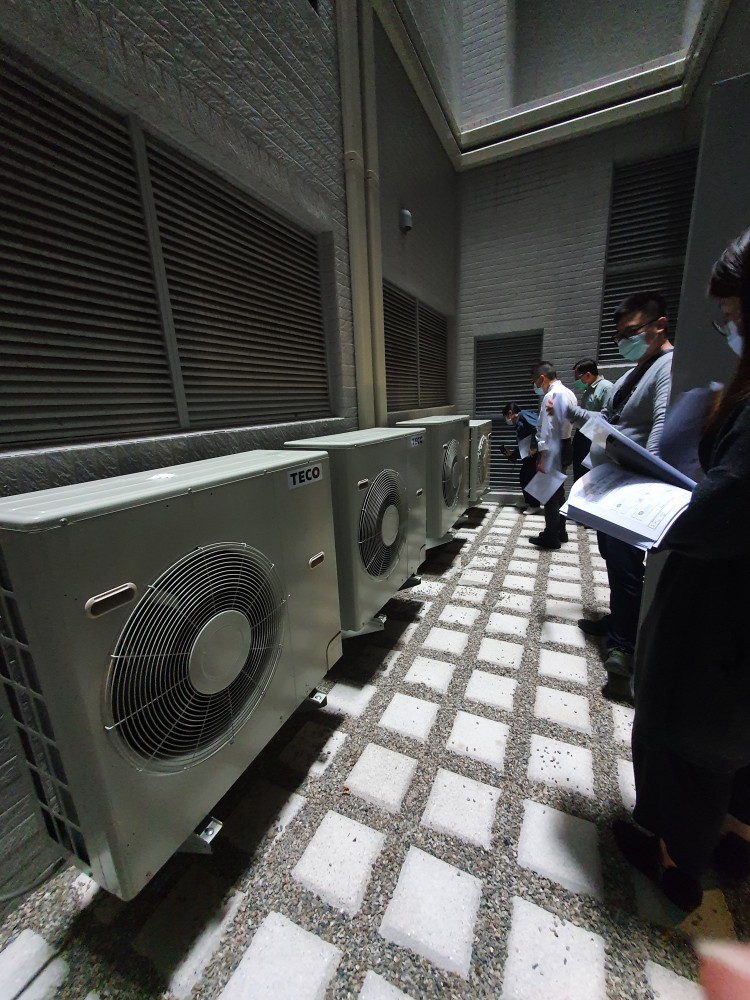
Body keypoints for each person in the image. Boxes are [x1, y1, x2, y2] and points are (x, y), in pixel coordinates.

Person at [613, 228, 750, 915]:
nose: (731, 331)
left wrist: (656, 511)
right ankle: (733, 839)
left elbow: (725, 505)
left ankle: (677, 866)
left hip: (724, 608)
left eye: (733, 316)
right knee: (729, 743)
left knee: (693, 737)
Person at [578, 291, 674, 701]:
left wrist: (644, 492)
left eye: (631, 332)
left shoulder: (667, 367)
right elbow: (610, 422)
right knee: (615, 563)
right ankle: (618, 622)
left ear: (659, 325)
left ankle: (623, 644)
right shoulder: (637, 371)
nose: (623, 341)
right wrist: (575, 416)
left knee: (627, 567)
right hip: (612, 483)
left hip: (632, 490)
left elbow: (659, 434)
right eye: (619, 335)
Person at [529, 361, 576, 550]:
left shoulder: (552, 395)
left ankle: (551, 536)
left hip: (553, 447)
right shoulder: (569, 393)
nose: (535, 386)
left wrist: (543, 457)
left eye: (535, 381)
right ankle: (561, 531)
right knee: (559, 492)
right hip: (566, 443)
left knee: (550, 495)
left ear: (542, 378)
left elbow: (548, 430)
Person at [568, 359, 614, 480]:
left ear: (588, 374)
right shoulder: (588, 388)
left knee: (591, 476)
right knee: (580, 475)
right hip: (583, 434)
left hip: (595, 436)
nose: (576, 380)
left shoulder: (606, 388)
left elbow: (608, 416)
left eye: (578, 376)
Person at [500, 402, 540, 513]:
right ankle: (529, 501)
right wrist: (512, 455)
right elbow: (523, 443)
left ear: (510, 413)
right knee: (523, 477)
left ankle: (534, 505)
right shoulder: (519, 422)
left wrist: (533, 447)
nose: (507, 420)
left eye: (506, 417)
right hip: (528, 455)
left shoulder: (523, 415)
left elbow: (537, 427)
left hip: (534, 454)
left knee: (528, 478)